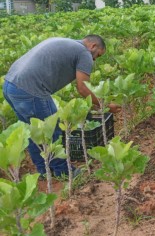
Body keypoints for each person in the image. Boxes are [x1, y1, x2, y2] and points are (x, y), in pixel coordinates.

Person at [2, 35, 121, 177]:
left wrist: (93, 103)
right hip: (30, 90)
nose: (95, 60)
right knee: (52, 131)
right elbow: (83, 88)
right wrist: (105, 105)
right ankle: (62, 171)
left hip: (10, 86)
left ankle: (44, 171)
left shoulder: (66, 43)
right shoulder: (84, 53)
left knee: (33, 132)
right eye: (98, 55)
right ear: (93, 46)